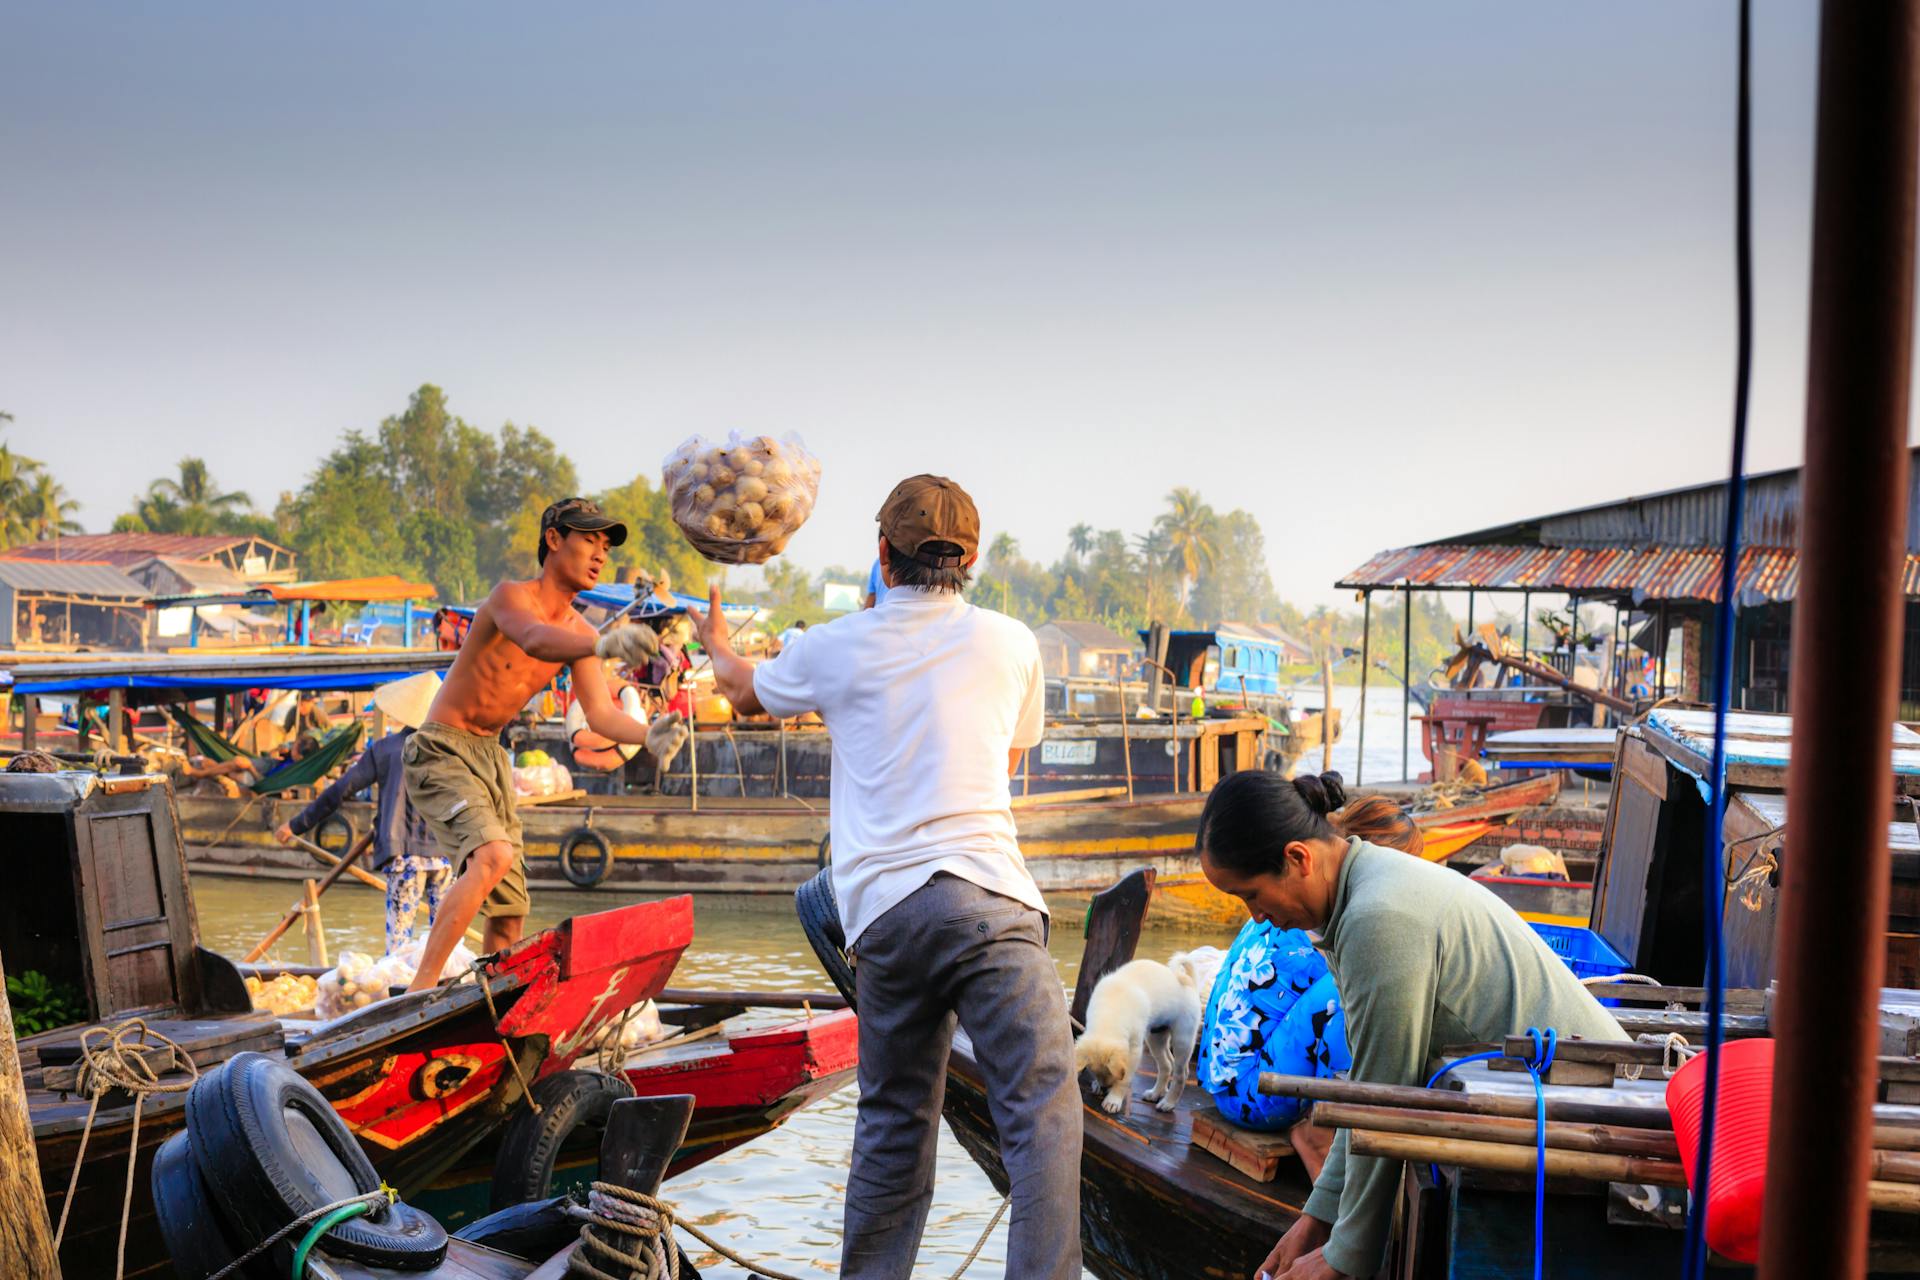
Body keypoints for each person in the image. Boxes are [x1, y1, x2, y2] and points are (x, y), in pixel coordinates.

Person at [689, 474, 1081, 1280]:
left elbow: (736, 689)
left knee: (895, 1124)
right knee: (1043, 1116)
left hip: (887, 919)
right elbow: (1007, 760)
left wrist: (716, 635)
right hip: (992, 902)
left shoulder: (837, 644)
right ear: (970, 559)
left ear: (883, 557)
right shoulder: (1012, 641)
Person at [1196, 771, 1625, 1280]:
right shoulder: (1359, 891)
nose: (1258, 917)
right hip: (1535, 1099)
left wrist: (1344, 1257)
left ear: (1297, 859)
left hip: (1593, 1111)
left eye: (1251, 894)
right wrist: (1316, 1220)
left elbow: (1384, 1098)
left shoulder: (1378, 918)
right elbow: (1367, 1086)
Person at [401, 497, 661, 993]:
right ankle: (419, 991)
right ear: (553, 539)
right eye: (589, 540)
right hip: (442, 748)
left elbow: (603, 715)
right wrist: (604, 645)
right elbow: (534, 639)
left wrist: (651, 734)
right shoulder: (510, 598)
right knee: (492, 855)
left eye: (605, 546)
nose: (600, 554)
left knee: (510, 909)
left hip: (492, 759)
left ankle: (490, 1004)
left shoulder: (582, 632)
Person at [275, 672, 448, 952]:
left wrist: (295, 825)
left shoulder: (385, 749)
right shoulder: (450, 749)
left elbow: (340, 791)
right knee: (446, 942)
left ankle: (403, 991)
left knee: (399, 944)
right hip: (445, 856)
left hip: (403, 857)